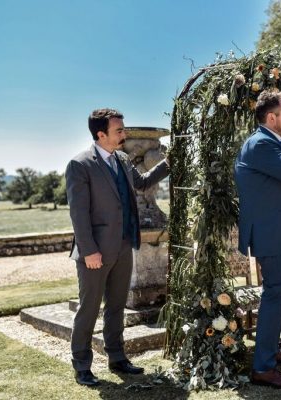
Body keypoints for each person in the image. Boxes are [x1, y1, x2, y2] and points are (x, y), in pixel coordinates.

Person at [65, 108, 169, 386]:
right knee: (88, 309)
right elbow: (79, 213)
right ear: (101, 134)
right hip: (94, 252)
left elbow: (143, 183)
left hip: (124, 246)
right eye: (119, 130)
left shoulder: (122, 159)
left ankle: (117, 357)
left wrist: (169, 162)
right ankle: (82, 366)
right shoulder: (80, 165)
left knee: (116, 307)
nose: (124, 134)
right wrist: (89, 251)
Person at [234, 90, 281, 389]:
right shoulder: (262, 144)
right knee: (275, 294)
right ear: (271, 117)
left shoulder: (272, 143)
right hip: (272, 232)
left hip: (278, 231)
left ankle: (272, 352)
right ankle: (263, 367)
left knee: (276, 293)